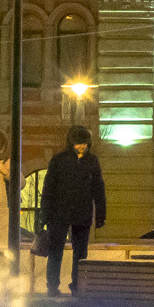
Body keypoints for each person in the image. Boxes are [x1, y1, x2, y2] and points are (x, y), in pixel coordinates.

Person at [40, 126, 107, 294]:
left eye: (84, 143)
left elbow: (99, 189)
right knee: (57, 251)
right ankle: (53, 285)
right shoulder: (59, 160)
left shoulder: (91, 161)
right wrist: (45, 215)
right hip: (61, 214)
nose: (82, 147)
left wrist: (100, 214)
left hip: (78, 213)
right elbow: (48, 189)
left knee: (79, 253)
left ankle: (76, 285)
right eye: (78, 144)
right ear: (71, 143)